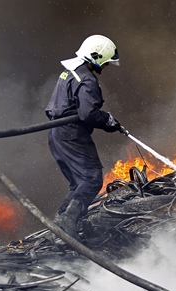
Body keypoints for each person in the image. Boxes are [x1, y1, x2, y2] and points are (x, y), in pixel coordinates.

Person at [45, 34, 124, 237]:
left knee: (77, 182)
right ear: (96, 57)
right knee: (91, 178)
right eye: (105, 63)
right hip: (72, 134)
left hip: (56, 134)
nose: (106, 67)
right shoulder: (87, 80)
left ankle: (59, 226)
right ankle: (69, 225)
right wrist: (107, 120)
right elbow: (88, 113)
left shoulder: (70, 72)